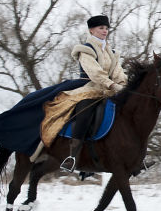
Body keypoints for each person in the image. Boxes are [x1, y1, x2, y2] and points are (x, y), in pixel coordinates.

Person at [46, 14, 129, 171]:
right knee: (85, 111)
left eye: (106, 28)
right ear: (91, 31)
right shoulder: (86, 50)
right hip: (89, 88)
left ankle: (135, 157)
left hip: (109, 90)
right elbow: (95, 73)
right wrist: (111, 85)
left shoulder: (111, 52)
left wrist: (123, 85)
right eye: (101, 28)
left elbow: (118, 72)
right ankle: (72, 156)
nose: (105, 31)